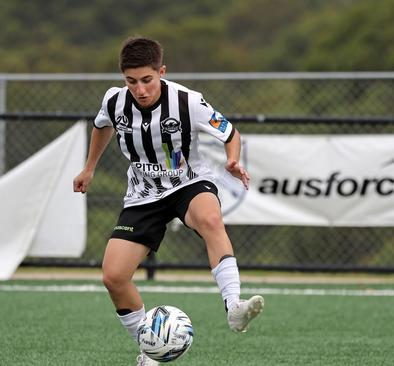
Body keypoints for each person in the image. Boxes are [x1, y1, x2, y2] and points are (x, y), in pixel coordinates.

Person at [73, 36, 264, 366]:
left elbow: (230, 132)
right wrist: (89, 167)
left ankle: (234, 306)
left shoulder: (187, 101)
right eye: (131, 81)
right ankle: (150, 351)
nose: (140, 89)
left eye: (147, 80)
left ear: (161, 72)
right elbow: (101, 126)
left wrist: (232, 160)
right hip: (143, 194)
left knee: (210, 219)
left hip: (187, 182)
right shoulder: (115, 101)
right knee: (113, 277)